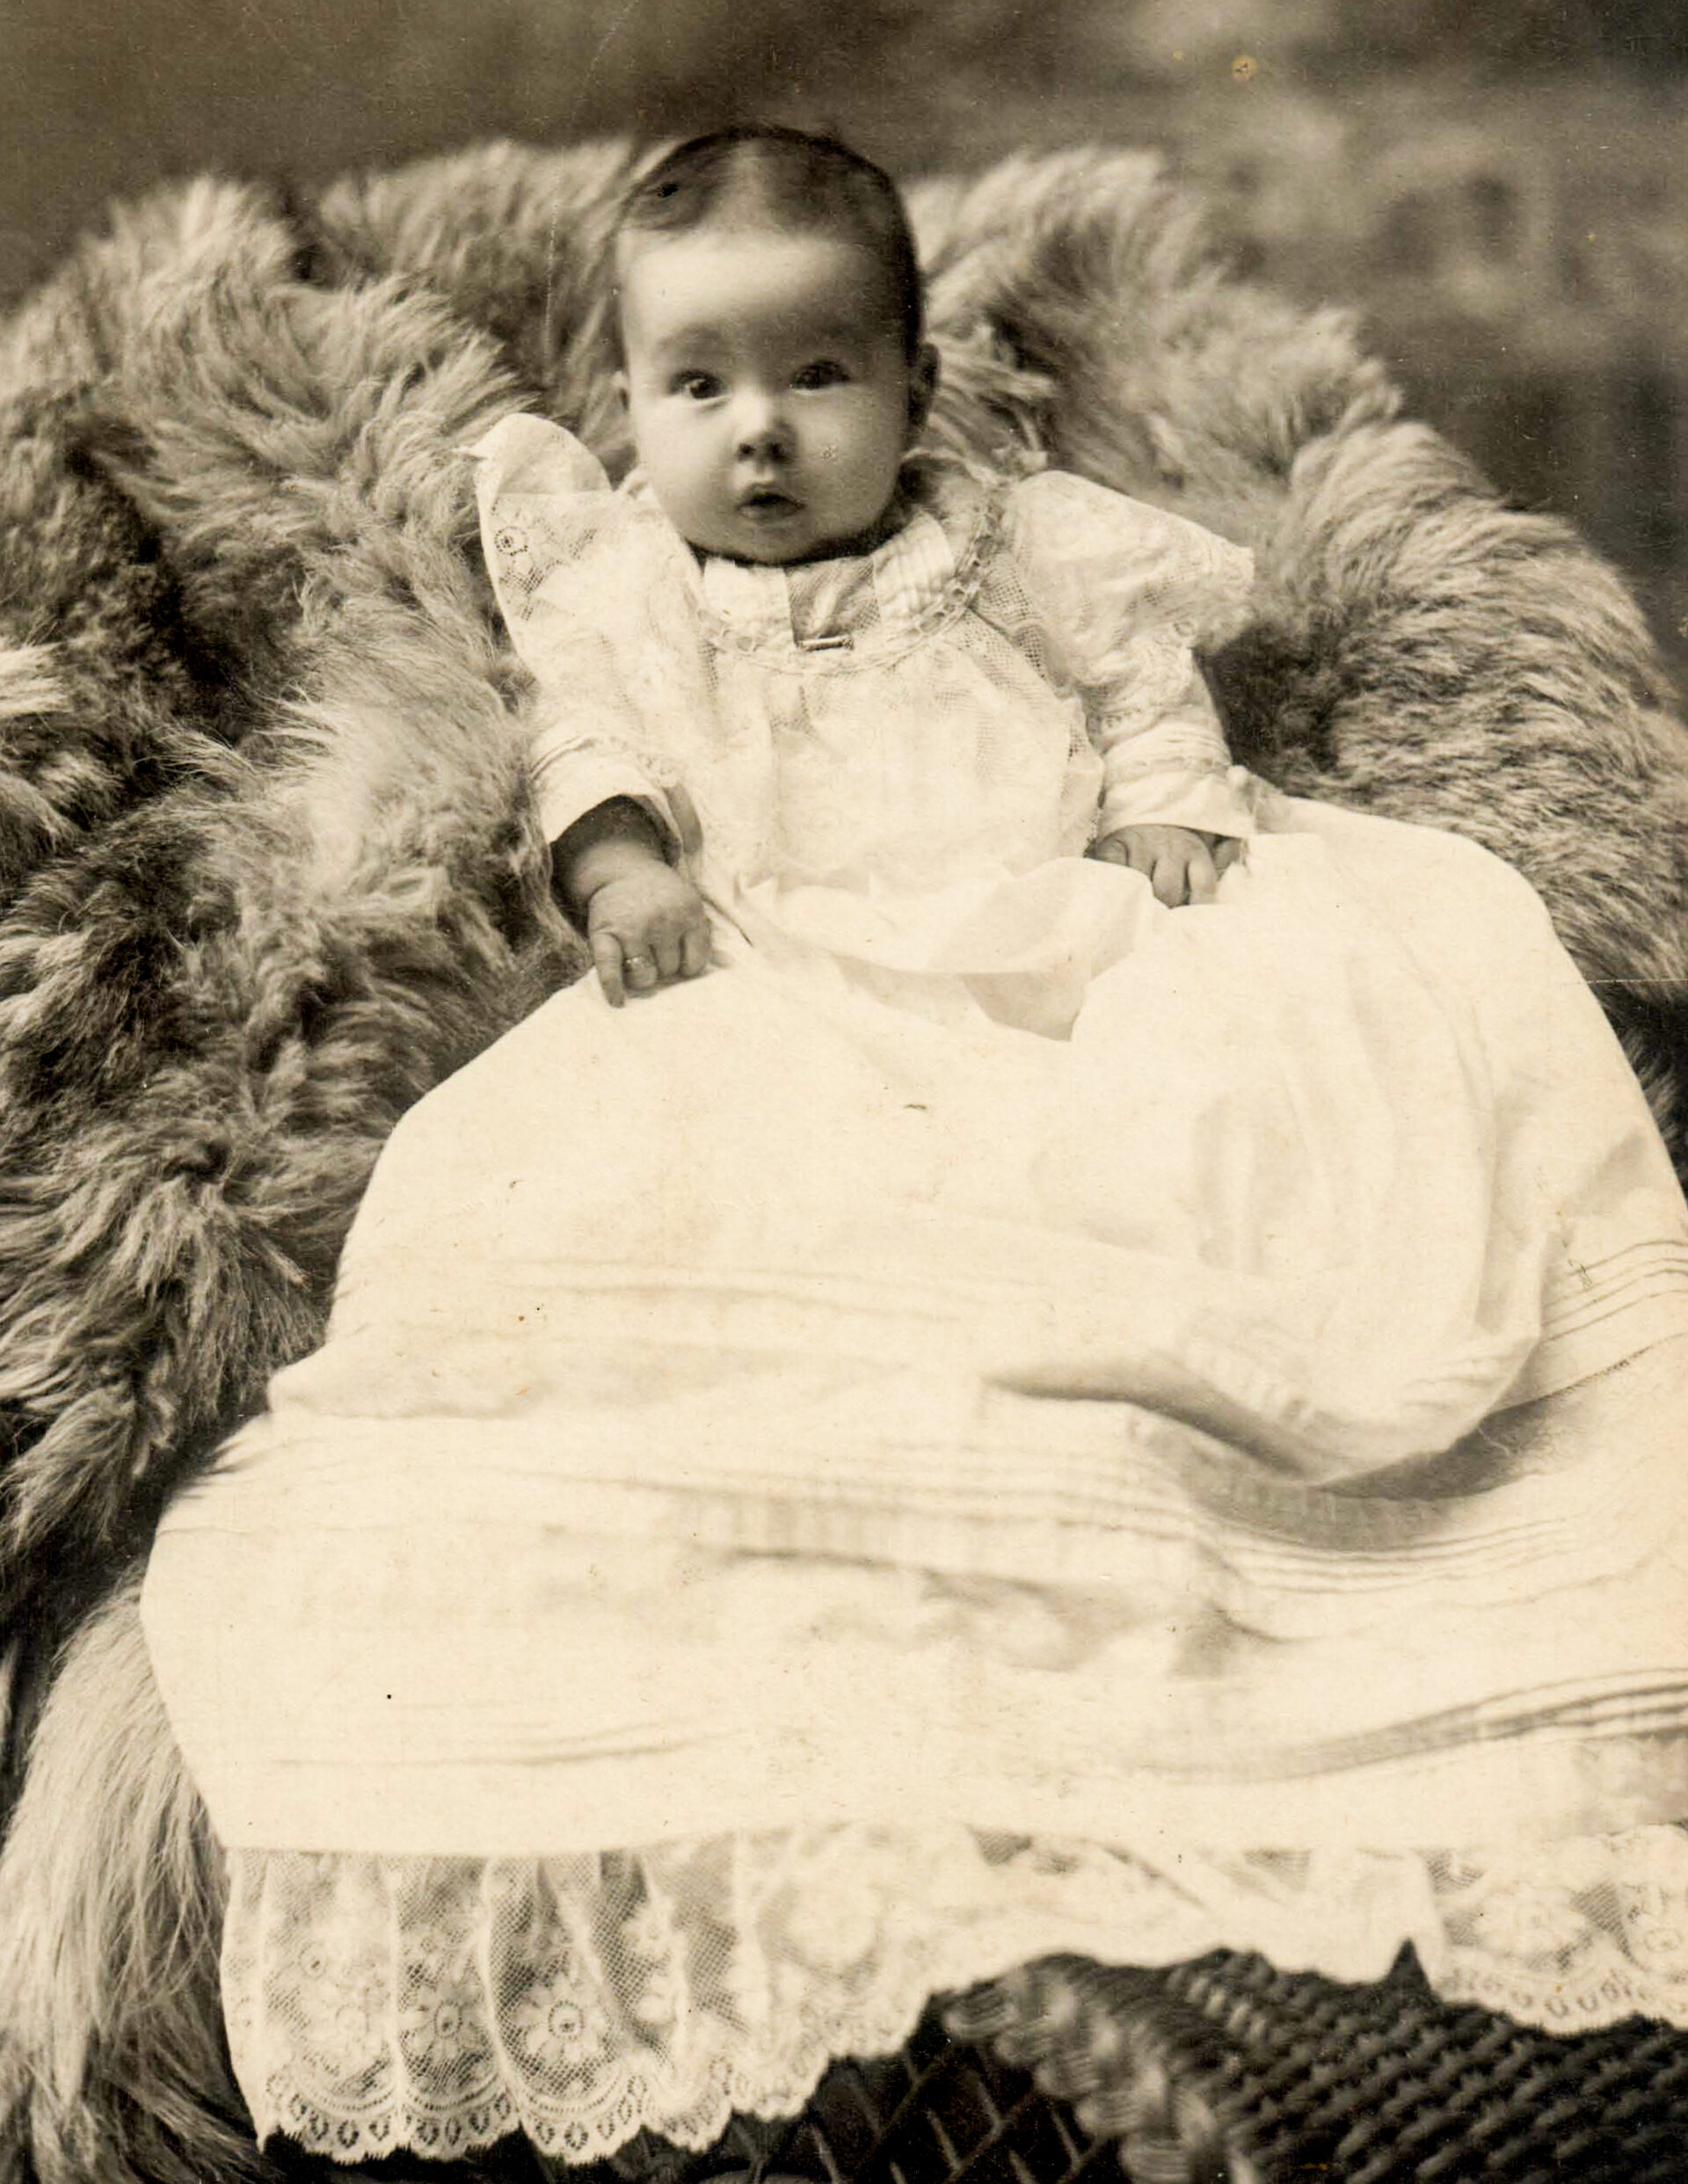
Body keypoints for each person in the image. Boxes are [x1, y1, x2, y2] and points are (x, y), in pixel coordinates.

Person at [140, 128, 1688, 2172]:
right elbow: (588, 759)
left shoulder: (1014, 541)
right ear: (629, 403)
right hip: (780, 974)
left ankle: (1188, 1566)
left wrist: (1164, 804)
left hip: (1054, 944)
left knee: (1231, 1137)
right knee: (658, 1231)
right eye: (699, 387)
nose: (759, 437)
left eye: (817, 377)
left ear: (917, 392)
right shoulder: (624, 582)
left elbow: (1143, 684)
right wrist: (620, 884)